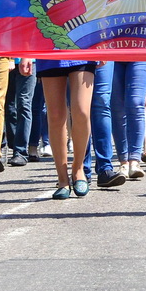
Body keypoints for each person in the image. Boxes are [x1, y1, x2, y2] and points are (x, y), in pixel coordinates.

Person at [36, 58, 96, 199]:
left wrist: (102, 45)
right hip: (49, 49)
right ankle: (62, 179)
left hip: (83, 48)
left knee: (82, 112)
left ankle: (78, 168)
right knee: (55, 115)